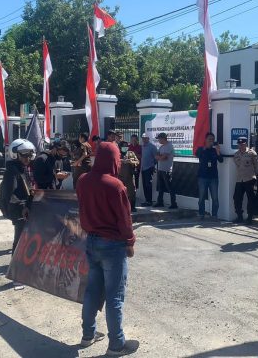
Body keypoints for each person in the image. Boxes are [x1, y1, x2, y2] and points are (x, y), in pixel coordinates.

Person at [76, 142, 139, 356]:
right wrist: (129, 242)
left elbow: (82, 209)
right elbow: (124, 219)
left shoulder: (83, 181)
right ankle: (116, 344)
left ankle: (87, 335)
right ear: (113, 159)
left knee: (92, 290)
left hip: (91, 242)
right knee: (114, 296)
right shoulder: (116, 186)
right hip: (113, 245)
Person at [0, 139, 36, 253]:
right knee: (20, 238)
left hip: (24, 208)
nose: (27, 157)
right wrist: (23, 205)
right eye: (24, 154)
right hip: (18, 209)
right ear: (15, 154)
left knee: (26, 237)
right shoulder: (12, 171)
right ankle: (14, 266)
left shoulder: (21, 168)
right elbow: (10, 194)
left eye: (29, 154)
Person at [196, 132, 223, 219]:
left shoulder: (215, 150)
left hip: (213, 178)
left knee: (215, 198)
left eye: (212, 139)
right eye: (209, 139)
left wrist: (218, 151)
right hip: (202, 177)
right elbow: (197, 154)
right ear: (205, 140)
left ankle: (214, 215)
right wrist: (205, 148)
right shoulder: (201, 149)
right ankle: (201, 214)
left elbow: (221, 160)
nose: (211, 141)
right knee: (201, 198)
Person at [232, 137, 258, 224]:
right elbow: (238, 165)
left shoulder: (252, 153)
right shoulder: (236, 154)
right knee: (236, 198)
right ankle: (239, 216)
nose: (240, 146)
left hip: (250, 179)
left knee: (251, 199)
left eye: (242, 144)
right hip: (240, 179)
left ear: (246, 144)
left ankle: (250, 218)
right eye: (239, 144)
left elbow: (257, 165)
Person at [154, 133, 177, 209]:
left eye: (159, 138)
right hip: (160, 169)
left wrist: (160, 157)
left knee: (170, 187)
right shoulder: (161, 147)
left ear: (163, 138)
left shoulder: (169, 146)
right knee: (161, 187)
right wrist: (160, 157)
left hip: (167, 170)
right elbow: (156, 156)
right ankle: (160, 202)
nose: (159, 140)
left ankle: (174, 203)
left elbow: (164, 157)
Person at [118, 141, 140, 212]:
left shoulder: (131, 153)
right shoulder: (117, 154)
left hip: (129, 176)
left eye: (126, 146)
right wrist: (122, 160)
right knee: (119, 193)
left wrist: (130, 161)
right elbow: (114, 161)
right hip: (119, 177)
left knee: (132, 192)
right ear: (120, 147)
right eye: (124, 146)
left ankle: (132, 207)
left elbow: (137, 162)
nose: (125, 148)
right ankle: (121, 207)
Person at [139, 133, 157, 207]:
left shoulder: (152, 147)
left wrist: (152, 166)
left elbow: (156, 158)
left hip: (149, 168)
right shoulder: (142, 147)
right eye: (143, 138)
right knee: (144, 185)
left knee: (148, 185)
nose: (144, 139)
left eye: (145, 138)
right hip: (143, 168)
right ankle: (147, 200)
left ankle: (149, 201)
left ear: (148, 139)